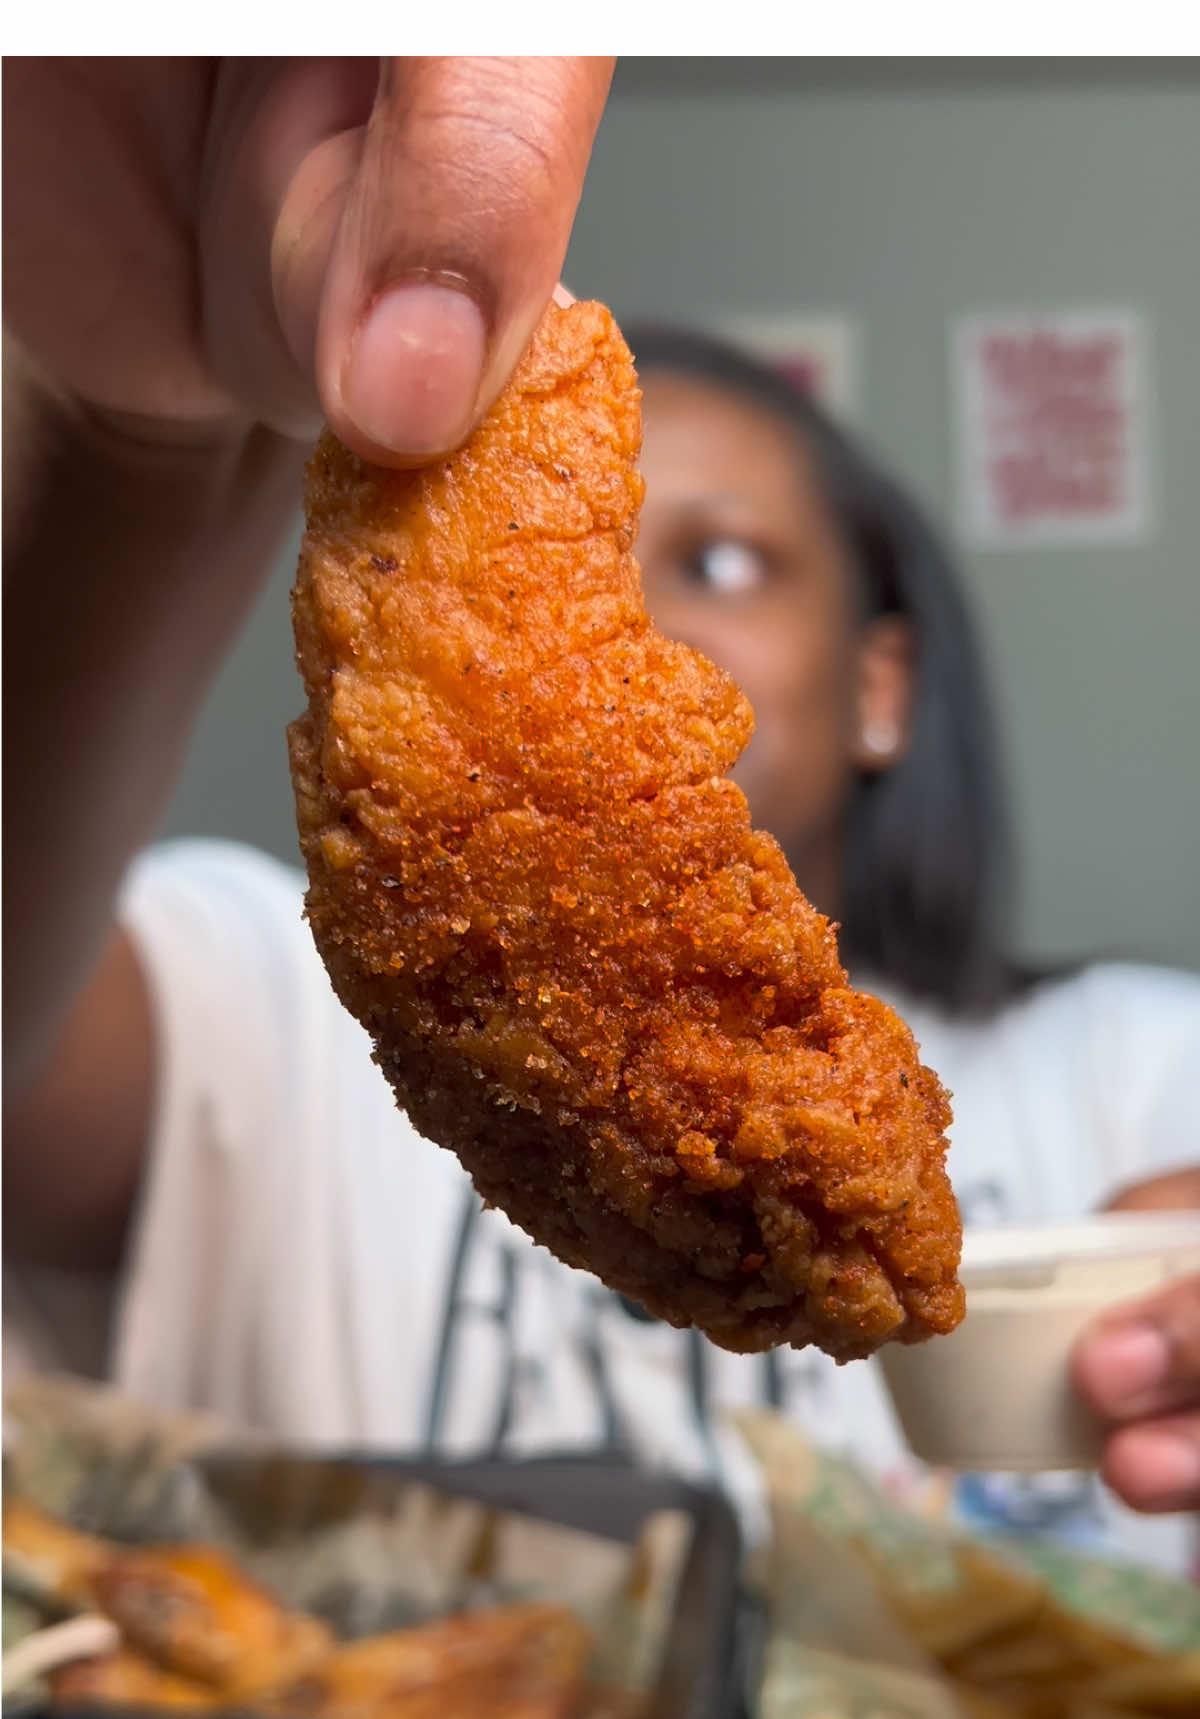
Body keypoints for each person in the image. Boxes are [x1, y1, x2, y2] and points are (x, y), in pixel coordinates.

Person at [4, 57, 1198, 1571]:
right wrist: (125, 438)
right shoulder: (264, 1018)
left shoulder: (1142, 1072)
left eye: (721, 561)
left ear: (883, 679)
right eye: (609, 547)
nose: (635, 611)